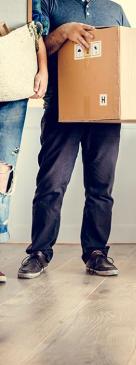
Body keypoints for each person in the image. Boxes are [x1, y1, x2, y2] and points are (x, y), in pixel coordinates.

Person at [18, 0, 136, 280]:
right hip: (61, 110)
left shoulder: (114, 10)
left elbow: (130, 61)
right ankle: (39, 252)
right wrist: (63, 31)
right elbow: (33, 49)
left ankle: (96, 253)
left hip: (106, 116)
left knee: (100, 188)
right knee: (51, 184)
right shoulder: (49, 3)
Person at [0, 0, 48, 283]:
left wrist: (43, 70)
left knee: (3, 172)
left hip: (12, 91)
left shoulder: (29, 1)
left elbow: (36, 32)